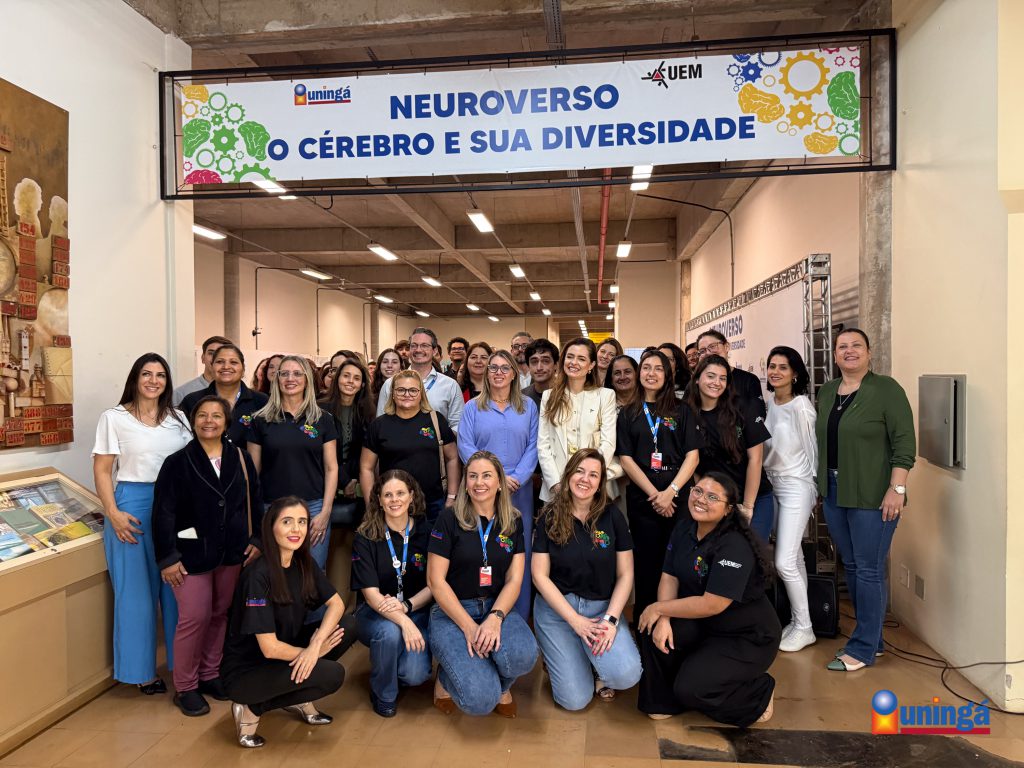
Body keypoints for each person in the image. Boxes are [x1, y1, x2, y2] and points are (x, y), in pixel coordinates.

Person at [636, 473, 781, 727]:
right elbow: (669, 576)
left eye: (713, 497)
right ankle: (663, 701)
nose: (701, 499)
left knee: (692, 689)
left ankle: (758, 692)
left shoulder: (734, 544)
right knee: (652, 626)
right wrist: (664, 617)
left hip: (746, 637)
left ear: (728, 509)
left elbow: (713, 604)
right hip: (706, 625)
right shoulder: (684, 527)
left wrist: (658, 607)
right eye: (698, 491)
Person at [153, 395, 262, 716]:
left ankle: (210, 673)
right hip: (190, 554)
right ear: (193, 421)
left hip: (232, 551)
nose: (209, 421)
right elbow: (163, 514)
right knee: (194, 617)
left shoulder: (240, 457)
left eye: (216, 415)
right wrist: (168, 558)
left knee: (219, 614)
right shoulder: (177, 462)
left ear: (226, 422)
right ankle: (186, 686)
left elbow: (255, 500)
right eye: (202, 415)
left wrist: (256, 538)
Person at [92, 353, 192, 694]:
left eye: (160, 375)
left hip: (176, 506)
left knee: (179, 590)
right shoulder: (114, 418)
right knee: (136, 594)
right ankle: (141, 673)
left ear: (167, 382)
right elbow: (103, 469)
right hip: (132, 507)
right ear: (135, 378)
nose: (153, 381)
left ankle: (184, 668)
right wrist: (113, 513)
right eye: (146, 374)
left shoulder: (179, 419)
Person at [221, 497, 357, 748]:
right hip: (248, 670)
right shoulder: (257, 575)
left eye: (302, 522)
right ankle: (253, 706)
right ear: (271, 527)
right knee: (332, 675)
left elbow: (337, 604)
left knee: (347, 626)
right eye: (287, 522)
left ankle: (294, 694)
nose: (296, 529)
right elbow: (269, 648)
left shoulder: (303, 562)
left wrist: (315, 644)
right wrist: (311, 654)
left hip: (286, 654)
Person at [817, 328, 915, 672]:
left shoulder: (886, 390)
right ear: (835, 355)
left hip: (874, 494)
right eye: (842, 346)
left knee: (869, 569)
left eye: (857, 345)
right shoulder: (828, 391)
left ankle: (861, 649)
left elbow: (904, 442)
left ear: (869, 352)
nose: (849, 351)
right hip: (835, 491)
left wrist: (897, 489)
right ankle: (873, 640)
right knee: (854, 566)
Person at [427, 451, 538, 716]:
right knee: (479, 701)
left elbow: (514, 579)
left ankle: (497, 684)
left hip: (495, 607)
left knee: (524, 656)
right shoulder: (449, 518)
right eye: (473, 476)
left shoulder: (513, 520)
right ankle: (446, 678)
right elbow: (435, 580)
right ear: (465, 483)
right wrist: (469, 627)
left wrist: (495, 618)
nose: (479, 483)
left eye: (487, 476)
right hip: (453, 612)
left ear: (500, 482)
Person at [532, 449, 642, 709]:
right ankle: (561, 654)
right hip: (558, 613)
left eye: (593, 474)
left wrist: (611, 620)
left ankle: (592, 664)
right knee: (574, 701)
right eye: (579, 471)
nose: (585, 479)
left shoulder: (612, 516)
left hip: (601, 609)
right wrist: (575, 620)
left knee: (626, 675)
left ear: (601, 481)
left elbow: (626, 574)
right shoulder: (549, 516)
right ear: (569, 475)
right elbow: (539, 575)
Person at [616, 349, 700, 617]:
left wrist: (671, 492)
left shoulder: (682, 410)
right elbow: (626, 459)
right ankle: (646, 621)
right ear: (639, 373)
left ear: (668, 375)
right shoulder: (628, 413)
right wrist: (656, 495)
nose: (651, 373)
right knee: (646, 564)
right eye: (646, 368)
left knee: (678, 561)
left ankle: (676, 621)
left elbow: (693, 456)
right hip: (644, 500)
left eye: (658, 368)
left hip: (679, 498)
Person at [457, 349, 539, 618]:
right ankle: (482, 612)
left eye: (505, 368)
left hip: (519, 489)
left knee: (518, 552)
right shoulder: (473, 407)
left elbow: (534, 446)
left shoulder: (528, 407)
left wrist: (516, 477)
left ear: (514, 373)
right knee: (483, 549)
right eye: (493, 368)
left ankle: (518, 615)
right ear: (486, 372)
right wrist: (494, 478)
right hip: (481, 491)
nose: (499, 373)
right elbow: (465, 446)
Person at [352, 470, 433, 717]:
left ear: (411, 496)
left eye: (400, 493)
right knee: (389, 633)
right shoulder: (365, 536)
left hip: (416, 609)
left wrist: (407, 608)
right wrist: (403, 622)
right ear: (379, 499)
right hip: (375, 612)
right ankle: (383, 693)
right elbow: (370, 595)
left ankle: (391, 663)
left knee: (414, 674)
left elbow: (434, 585)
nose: (394, 500)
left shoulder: (428, 532)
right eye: (387, 495)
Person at [247, 356, 339, 571]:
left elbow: (331, 468)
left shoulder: (323, 419)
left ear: (307, 380)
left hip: (313, 508)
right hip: (273, 508)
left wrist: (325, 512)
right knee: (275, 573)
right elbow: (252, 474)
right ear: (277, 379)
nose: (291, 379)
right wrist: (256, 516)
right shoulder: (260, 420)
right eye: (284, 373)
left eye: (297, 373)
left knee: (313, 572)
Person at [763, 346, 818, 653]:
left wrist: (814, 489)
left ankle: (805, 627)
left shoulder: (801, 406)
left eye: (783, 367)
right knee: (794, 558)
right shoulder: (769, 403)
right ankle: (800, 622)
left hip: (797, 485)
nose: (776, 372)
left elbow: (813, 451)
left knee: (784, 561)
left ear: (795, 373)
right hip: (773, 484)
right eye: (772, 366)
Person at [684, 355, 774, 542]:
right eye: (711, 376)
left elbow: (756, 459)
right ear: (697, 378)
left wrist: (747, 507)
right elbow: (694, 463)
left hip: (753, 498)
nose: (716, 383)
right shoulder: (687, 414)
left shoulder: (742, 409)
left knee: (751, 554)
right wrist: (704, 497)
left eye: (722, 378)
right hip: (715, 501)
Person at [362, 369, 461, 522]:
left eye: (413, 390)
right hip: (393, 505)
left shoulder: (436, 420)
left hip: (433, 504)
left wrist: (452, 497)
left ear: (421, 394)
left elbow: (452, 458)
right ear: (393, 394)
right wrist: (372, 506)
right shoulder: (379, 425)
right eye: (401, 390)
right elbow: (366, 468)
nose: (407, 394)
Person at [538, 337, 619, 504]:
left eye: (581, 359)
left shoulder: (605, 396)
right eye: (570, 357)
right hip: (557, 486)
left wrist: (588, 479)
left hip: (592, 487)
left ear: (591, 365)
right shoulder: (549, 396)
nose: (573, 362)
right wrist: (556, 484)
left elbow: (608, 443)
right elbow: (543, 445)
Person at [320, 358, 374, 528]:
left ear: (362, 385)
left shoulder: (368, 412)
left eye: (356, 378)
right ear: (337, 379)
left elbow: (364, 452)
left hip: (356, 485)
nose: (351, 381)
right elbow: (317, 451)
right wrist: (344, 480)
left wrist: (351, 480)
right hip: (324, 484)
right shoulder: (320, 409)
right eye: (346, 376)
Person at [180, 343, 267, 449]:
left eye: (233, 362)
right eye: (220, 362)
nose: (226, 367)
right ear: (212, 367)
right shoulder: (192, 401)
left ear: (243, 368)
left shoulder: (262, 402)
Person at [376, 328, 464, 433]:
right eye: (414, 345)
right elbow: (381, 423)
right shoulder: (390, 383)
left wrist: (441, 439)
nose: (418, 350)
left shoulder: (450, 386)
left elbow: (457, 425)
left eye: (424, 345)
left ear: (435, 350)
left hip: (437, 443)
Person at [696, 330, 765, 416]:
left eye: (712, 346)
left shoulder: (749, 380)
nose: (708, 353)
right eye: (702, 351)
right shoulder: (696, 382)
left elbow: (757, 416)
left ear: (726, 346)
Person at [174, 335, 232, 406]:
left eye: (222, 354)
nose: (216, 358)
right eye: (211, 353)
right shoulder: (181, 394)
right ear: (202, 358)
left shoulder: (239, 392)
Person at [522, 338, 558, 407]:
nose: (539, 368)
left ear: (556, 365)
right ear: (528, 366)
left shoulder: (568, 394)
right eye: (534, 362)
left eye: (545, 361)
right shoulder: (522, 397)